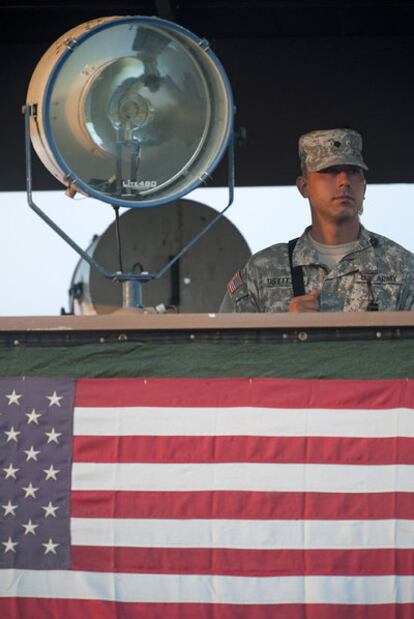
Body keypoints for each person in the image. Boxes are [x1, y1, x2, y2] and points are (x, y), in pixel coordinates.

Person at [220, 128, 414, 312]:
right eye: (330, 171)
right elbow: (226, 345)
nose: (344, 180)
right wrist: (284, 330)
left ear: (364, 187)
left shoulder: (403, 267)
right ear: (304, 187)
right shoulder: (262, 271)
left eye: (353, 171)